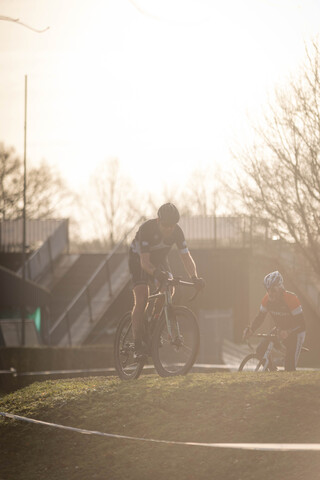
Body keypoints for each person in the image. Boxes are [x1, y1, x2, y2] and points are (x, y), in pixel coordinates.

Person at [129, 203, 205, 357]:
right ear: (158, 221)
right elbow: (145, 263)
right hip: (139, 260)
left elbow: (186, 257)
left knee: (170, 287)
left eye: (172, 225)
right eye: (165, 225)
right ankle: (137, 343)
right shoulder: (147, 229)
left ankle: (154, 323)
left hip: (159, 260)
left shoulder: (177, 232)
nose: (169, 229)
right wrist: (156, 273)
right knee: (142, 298)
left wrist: (195, 277)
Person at [243, 271, 306, 371]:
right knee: (260, 350)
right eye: (268, 290)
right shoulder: (266, 299)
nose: (270, 293)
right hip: (280, 329)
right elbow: (260, 317)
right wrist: (251, 329)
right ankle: (273, 372)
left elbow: (302, 324)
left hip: (296, 332)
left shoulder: (291, 299)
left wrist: (288, 331)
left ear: (280, 288)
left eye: (273, 290)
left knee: (289, 368)